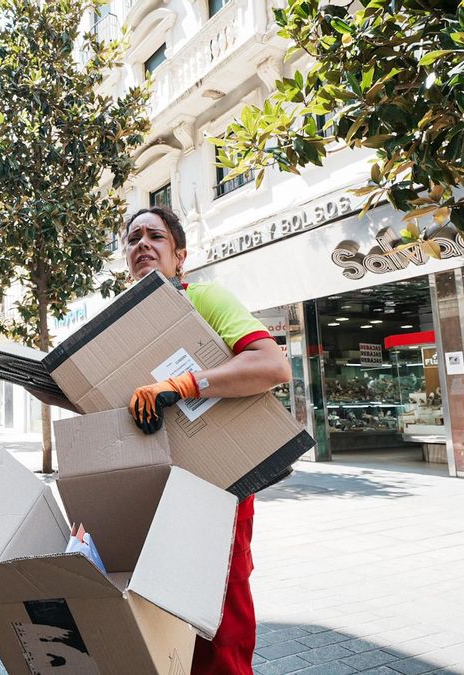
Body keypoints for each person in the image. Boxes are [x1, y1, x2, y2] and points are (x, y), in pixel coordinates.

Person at [124, 205, 291, 675]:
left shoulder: (206, 298)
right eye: (133, 238)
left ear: (180, 256)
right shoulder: (121, 322)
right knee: (158, 618)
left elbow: (273, 366)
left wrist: (184, 385)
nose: (142, 244)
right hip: (151, 487)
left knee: (219, 622)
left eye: (155, 236)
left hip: (218, 486)